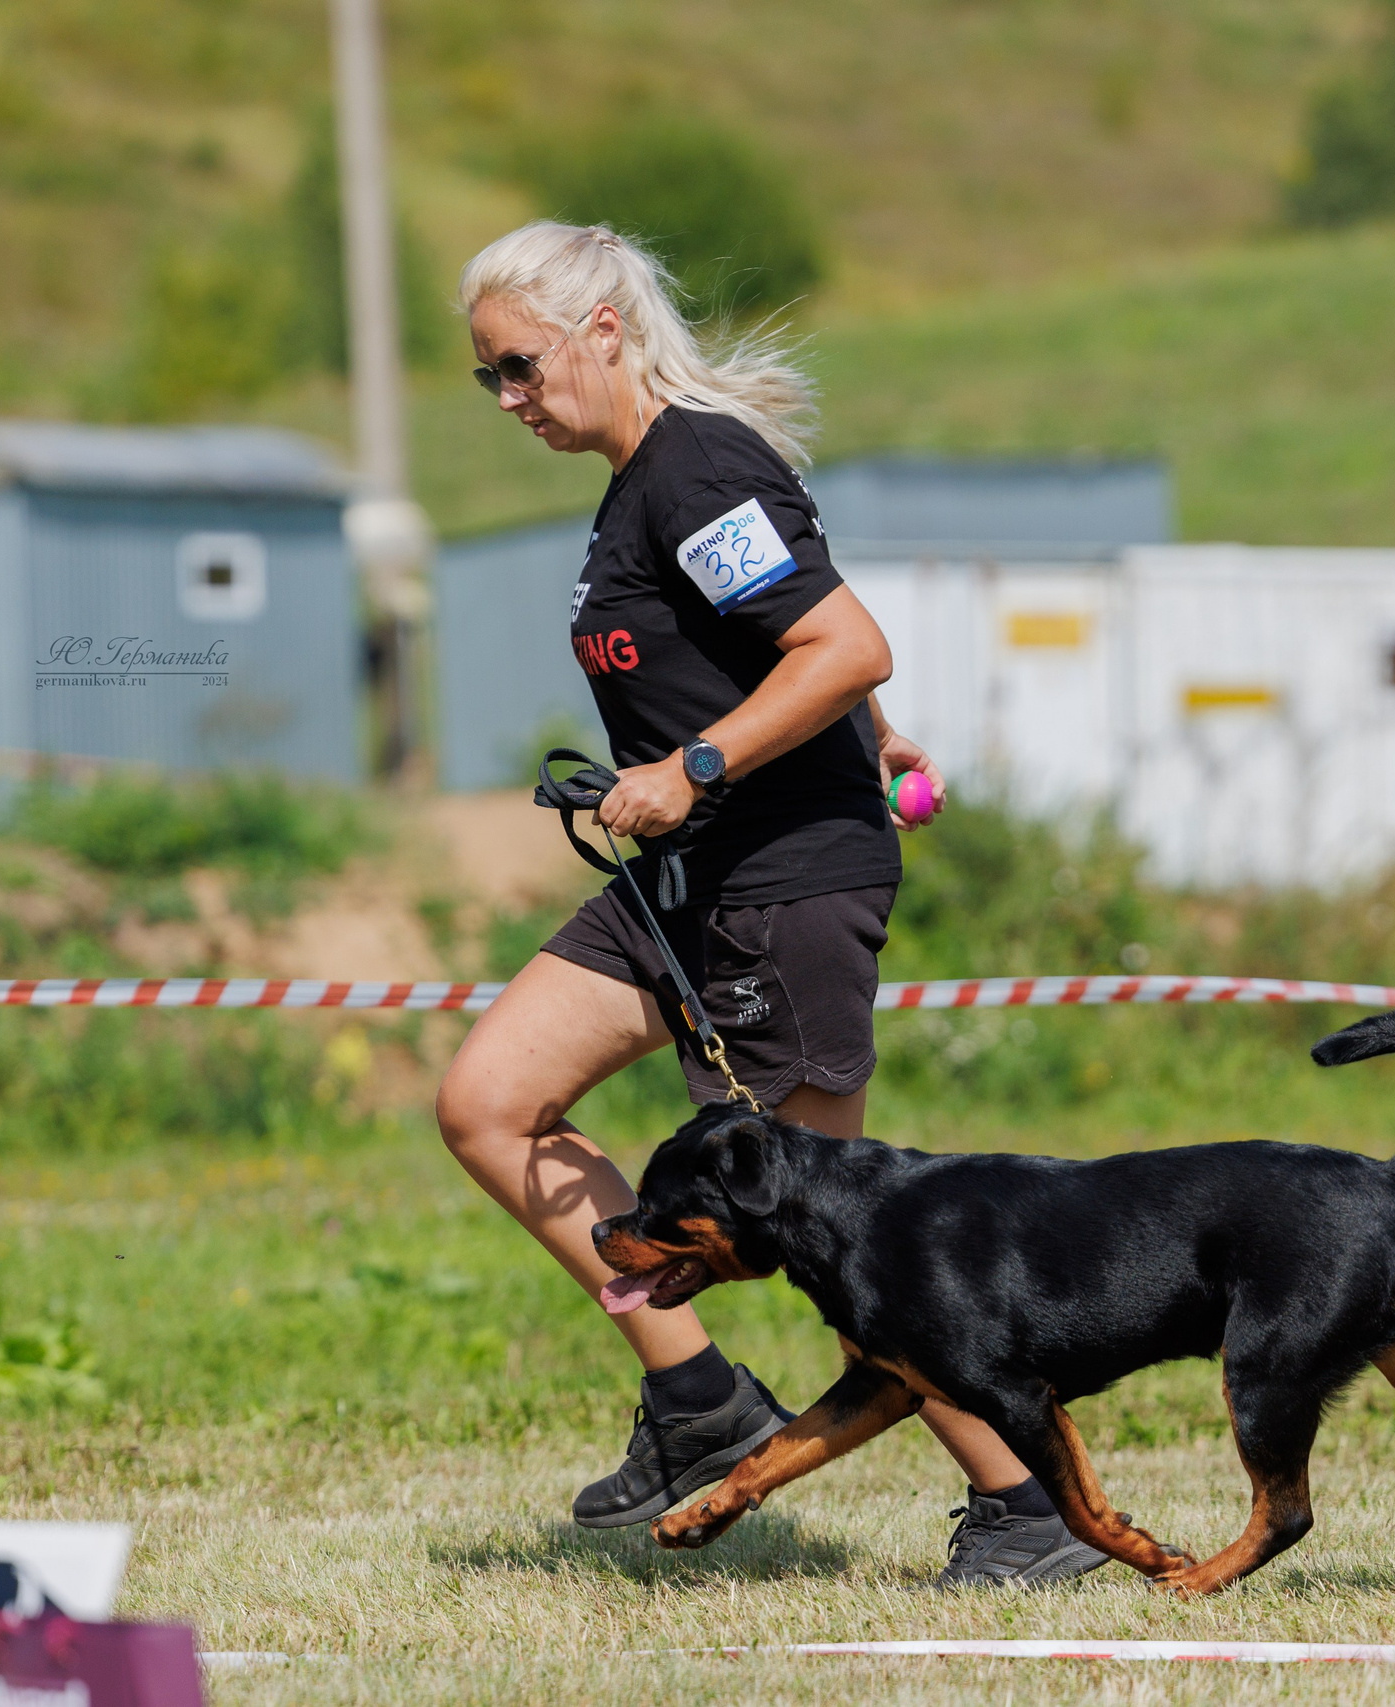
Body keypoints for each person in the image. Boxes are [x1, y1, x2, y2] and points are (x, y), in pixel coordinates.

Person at [434, 221, 1103, 1588]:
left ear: (599, 332)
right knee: (488, 1101)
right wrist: (868, 733)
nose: (506, 398)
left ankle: (1027, 1503)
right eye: (485, 378)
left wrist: (698, 763)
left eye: (516, 366)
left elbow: (846, 640)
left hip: (779, 881)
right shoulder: (638, 483)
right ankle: (698, 1406)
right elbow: (800, 651)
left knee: (841, 1239)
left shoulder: (697, 468)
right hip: (682, 879)